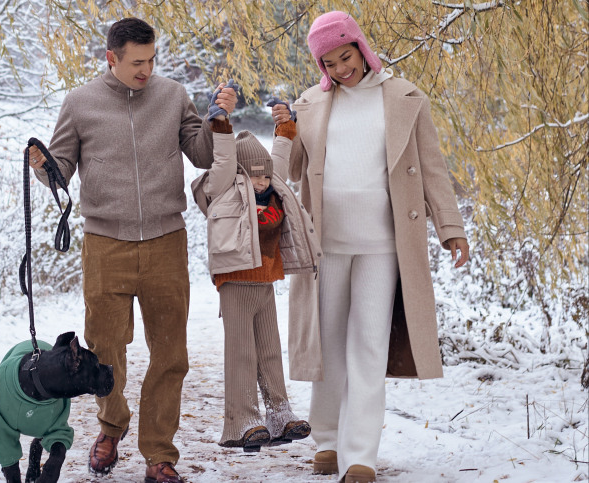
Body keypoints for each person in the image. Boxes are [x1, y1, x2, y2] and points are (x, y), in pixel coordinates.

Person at [27, 17, 237, 483]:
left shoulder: (172, 96)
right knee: (104, 349)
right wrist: (42, 165)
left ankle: (159, 453)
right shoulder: (79, 104)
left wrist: (218, 120)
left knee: (170, 354)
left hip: (166, 242)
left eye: (152, 59)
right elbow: (60, 169)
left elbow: (202, 154)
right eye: (137, 62)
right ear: (112, 58)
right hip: (105, 244)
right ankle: (111, 424)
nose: (147, 70)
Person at [270, 11, 470, 483]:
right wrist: (286, 131)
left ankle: (359, 456)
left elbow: (432, 168)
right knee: (329, 344)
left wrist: (450, 227)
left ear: (361, 47)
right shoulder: (311, 104)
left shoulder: (403, 97)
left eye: (347, 56)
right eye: (330, 62)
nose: (342, 69)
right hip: (326, 245)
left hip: (384, 244)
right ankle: (326, 440)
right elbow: (292, 171)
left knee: (368, 345)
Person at [190, 104, 321, 452]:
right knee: (241, 353)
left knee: (269, 351)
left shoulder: (271, 187)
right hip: (235, 282)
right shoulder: (225, 188)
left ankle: (279, 413)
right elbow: (222, 162)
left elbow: (277, 159)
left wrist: (286, 129)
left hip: (265, 280)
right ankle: (242, 420)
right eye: (254, 176)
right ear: (240, 174)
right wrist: (220, 126)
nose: (262, 181)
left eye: (264, 176)